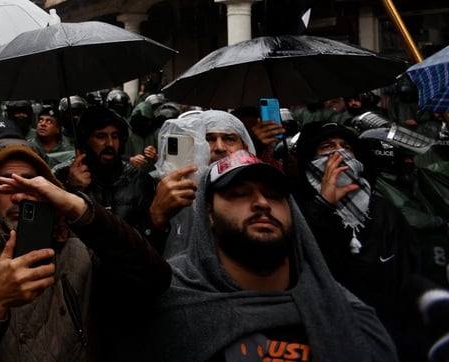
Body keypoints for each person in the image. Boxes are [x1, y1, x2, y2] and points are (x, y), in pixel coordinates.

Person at [147, 149, 397, 360]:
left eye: (274, 195)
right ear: (209, 215)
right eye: (239, 194)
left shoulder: (349, 316)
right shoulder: (169, 305)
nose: (262, 203)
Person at [0, 143, 171, 361]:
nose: (19, 195)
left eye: (30, 184)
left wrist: (79, 207)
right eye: (5, 184)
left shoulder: (80, 250)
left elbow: (154, 278)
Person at [294, 121, 423, 360]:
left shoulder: (383, 209)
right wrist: (323, 206)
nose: (339, 153)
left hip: (389, 328)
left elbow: (409, 271)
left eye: (346, 146)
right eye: (327, 147)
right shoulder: (296, 209)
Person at [147, 110, 257, 256]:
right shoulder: (170, 190)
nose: (219, 147)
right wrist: (156, 218)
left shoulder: (262, 191)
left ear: (245, 148)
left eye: (229, 139)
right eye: (209, 139)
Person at [53, 105, 155, 232]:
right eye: (101, 136)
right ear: (85, 141)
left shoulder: (139, 180)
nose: (110, 144)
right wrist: (73, 189)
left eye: (115, 136)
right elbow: (56, 230)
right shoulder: (60, 175)